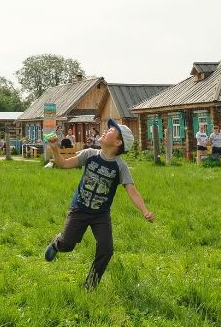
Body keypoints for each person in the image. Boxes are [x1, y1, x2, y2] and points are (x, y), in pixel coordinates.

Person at [44, 119, 154, 290]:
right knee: (68, 244)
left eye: (110, 131)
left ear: (118, 142)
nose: (105, 130)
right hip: (79, 209)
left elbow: (132, 190)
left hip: (100, 215)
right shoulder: (89, 154)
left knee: (106, 249)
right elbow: (64, 164)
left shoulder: (120, 167)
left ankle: (90, 286)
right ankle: (57, 243)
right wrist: (55, 149)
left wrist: (145, 211)